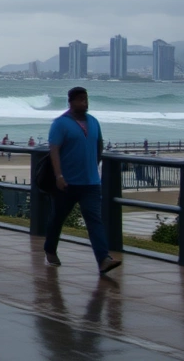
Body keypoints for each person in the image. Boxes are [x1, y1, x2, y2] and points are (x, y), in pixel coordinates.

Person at [42, 86, 120, 275]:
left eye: (86, 99)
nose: (84, 103)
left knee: (94, 220)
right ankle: (50, 249)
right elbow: (54, 151)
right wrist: (59, 175)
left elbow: (98, 145)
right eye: (80, 100)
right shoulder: (60, 124)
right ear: (71, 102)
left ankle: (103, 259)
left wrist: (94, 166)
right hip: (67, 183)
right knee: (58, 218)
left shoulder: (93, 122)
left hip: (91, 183)